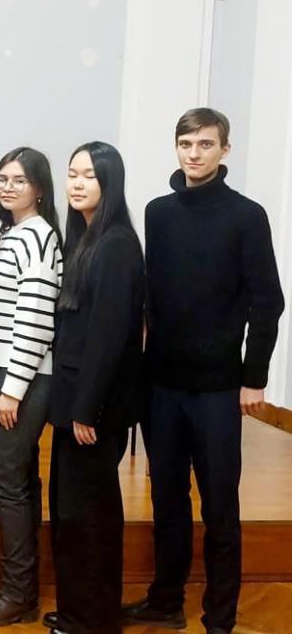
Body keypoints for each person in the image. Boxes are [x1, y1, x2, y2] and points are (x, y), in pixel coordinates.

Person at [122, 108, 284, 634]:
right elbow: (152, 297)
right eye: (186, 143)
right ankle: (166, 601)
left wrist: (253, 377)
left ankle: (220, 617)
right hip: (162, 385)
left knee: (219, 506)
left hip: (217, 388)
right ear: (176, 148)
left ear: (225, 150)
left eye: (206, 144)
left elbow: (268, 302)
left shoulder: (247, 216)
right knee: (167, 499)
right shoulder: (158, 213)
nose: (194, 153)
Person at [46, 142, 145, 634]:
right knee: (69, 513)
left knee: (91, 518)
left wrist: (87, 409)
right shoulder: (84, 238)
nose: (78, 183)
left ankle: (95, 618)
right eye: (72, 174)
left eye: (89, 175)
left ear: (110, 182)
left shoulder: (117, 245)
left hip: (93, 409)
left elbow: (108, 337)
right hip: (72, 402)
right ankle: (75, 611)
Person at [0, 147, 63, 627]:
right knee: (20, 480)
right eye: (1, 179)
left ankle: (17, 592)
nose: (7, 187)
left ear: (39, 189)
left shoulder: (38, 238)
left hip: (22, 376)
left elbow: (36, 321)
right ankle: (23, 588)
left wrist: (13, 388)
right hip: (4, 372)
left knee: (4, 480)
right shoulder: (12, 234)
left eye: (18, 180)